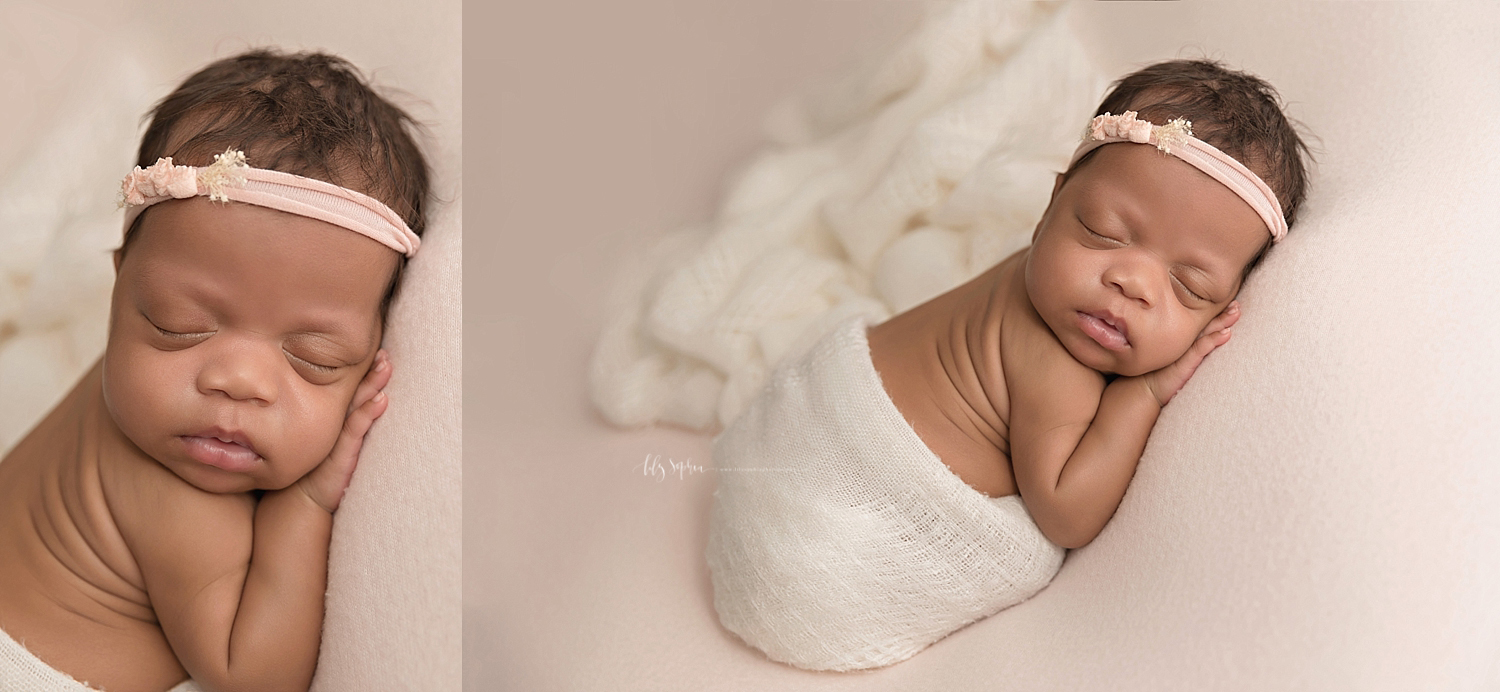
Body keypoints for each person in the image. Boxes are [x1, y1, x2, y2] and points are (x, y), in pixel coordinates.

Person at [707, 59, 1313, 671]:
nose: (1130, 282)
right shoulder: (1058, 365)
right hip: (830, 529)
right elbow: (1067, 513)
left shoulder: (1041, 274)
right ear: (1051, 204)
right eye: (1104, 232)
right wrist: (1143, 395)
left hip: (789, 439)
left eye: (1188, 285)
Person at [0, 49, 430, 692]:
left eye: (315, 358)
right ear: (120, 290)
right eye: (179, 326)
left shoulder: (135, 386)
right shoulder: (179, 498)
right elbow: (254, 675)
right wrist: (305, 506)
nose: (239, 381)